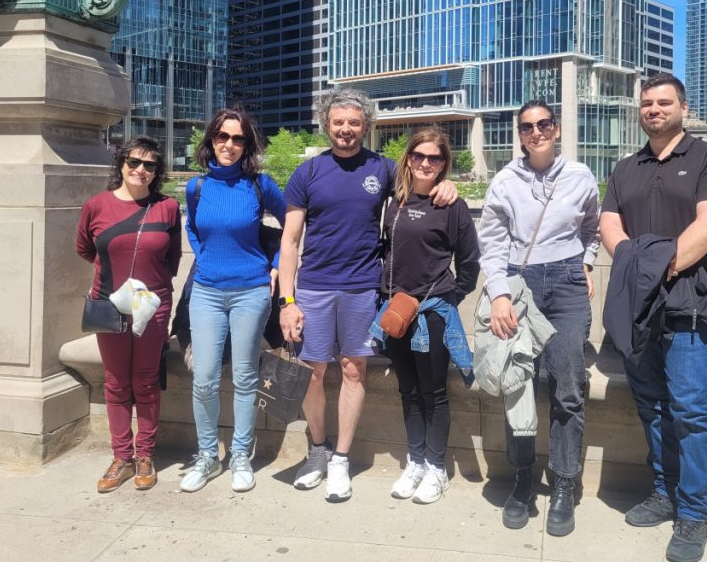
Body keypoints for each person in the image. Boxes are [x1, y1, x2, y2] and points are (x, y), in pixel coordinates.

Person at [277, 88, 457, 502]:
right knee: (313, 373)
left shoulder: (385, 168)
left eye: (354, 123)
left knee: (354, 369)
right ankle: (318, 452)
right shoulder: (308, 173)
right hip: (314, 286)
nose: (346, 130)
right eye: (338, 122)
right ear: (327, 125)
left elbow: (425, 179)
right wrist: (287, 302)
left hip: (362, 286)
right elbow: (289, 242)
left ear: (366, 126)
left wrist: (449, 188)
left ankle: (341, 459)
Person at [599, 73, 707, 562]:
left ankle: (694, 513)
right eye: (646, 104)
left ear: (683, 107)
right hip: (641, 311)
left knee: (693, 412)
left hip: (693, 309)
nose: (653, 109)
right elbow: (609, 225)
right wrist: (640, 275)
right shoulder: (625, 167)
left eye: (663, 102)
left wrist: (652, 268)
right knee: (652, 406)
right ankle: (664, 491)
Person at [476, 100, 600, 537]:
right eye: (527, 126)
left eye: (543, 124)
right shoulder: (505, 181)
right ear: (519, 133)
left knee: (567, 385)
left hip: (566, 283)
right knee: (518, 385)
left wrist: (586, 263)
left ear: (557, 128)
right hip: (520, 284)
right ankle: (523, 479)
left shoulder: (581, 176)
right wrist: (498, 294)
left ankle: (564, 484)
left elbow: (591, 227)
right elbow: (490, 243)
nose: (536, 132)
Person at [178, 108, 286, 494]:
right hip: (206, 290)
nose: (229, 144)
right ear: (210, 141)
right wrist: (202, 254)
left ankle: (240, 454)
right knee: (204, 377)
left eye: (238, 138)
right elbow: (192, 225)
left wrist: (275, 264)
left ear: (248, 145)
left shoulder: (260, 185)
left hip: (251, 292)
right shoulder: (197, 188)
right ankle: (207, 456)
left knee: (244, 377)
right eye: (222, 137)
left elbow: (292, 221)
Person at [371, 127, 480, 505]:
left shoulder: (451, 206)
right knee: (409, 391)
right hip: (396, 311)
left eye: (435, 158)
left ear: (444, 164)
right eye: (420, 156)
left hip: (433, 312)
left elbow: (470, 263)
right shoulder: (395, 202)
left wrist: (448, 298)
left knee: (434, 393)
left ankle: (436, 467)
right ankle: (415, 460)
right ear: (409, 158)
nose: (426, 163)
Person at [76, 136, 182, 493]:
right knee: (116, 382)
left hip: (152, 306)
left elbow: (172, 261)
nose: (141, 170)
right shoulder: (96, 206)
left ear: (157, 171)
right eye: (134, 162)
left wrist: (148, 294)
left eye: (150, 165)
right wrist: (117, 283)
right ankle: (121, 456)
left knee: (146, 380)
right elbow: (85, 249)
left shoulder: (167, 207)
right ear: (120, 164)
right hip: (109, 304)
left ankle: (145, 454)